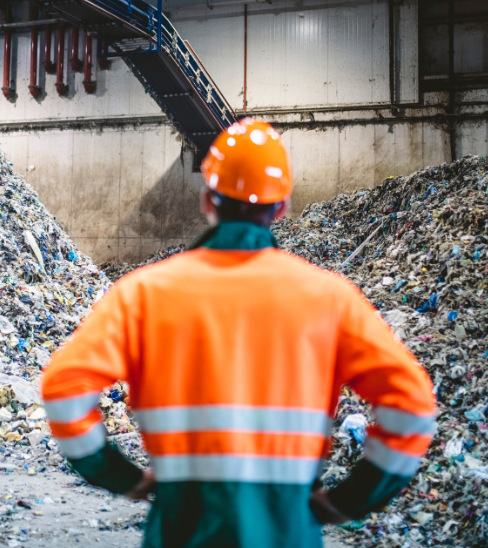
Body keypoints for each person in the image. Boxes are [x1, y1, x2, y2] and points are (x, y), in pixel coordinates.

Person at [40, 119, 437, 548]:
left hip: (181, 528)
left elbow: (64, 387)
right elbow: (412, 405)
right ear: (281, 207)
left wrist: (120, 476)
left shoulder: (143, 293)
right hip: (287, 530)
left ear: (207, 198)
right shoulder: (329, 298)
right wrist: (350, 499)